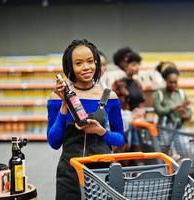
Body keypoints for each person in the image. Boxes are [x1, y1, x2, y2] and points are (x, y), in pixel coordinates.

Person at [47, 39, 124, 200]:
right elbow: (54, 142)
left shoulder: (110, 97)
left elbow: (119, 139)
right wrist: (64, 103)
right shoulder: (56, 97)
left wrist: (101, 131)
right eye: (79, 63)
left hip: (102, 172)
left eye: (90, 61)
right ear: (70, 67)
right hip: (69, 173)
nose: (86, 67)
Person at [111, 47, 145, 165]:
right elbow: (116, 104)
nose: (137, 67)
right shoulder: (118, 84)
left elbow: (141, 101)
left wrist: (140, 111)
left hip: (138, 123)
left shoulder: (137, 83)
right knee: (124, 155)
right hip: (124, 123)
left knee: (137, 155)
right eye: (133, 64)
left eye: (137, 64)